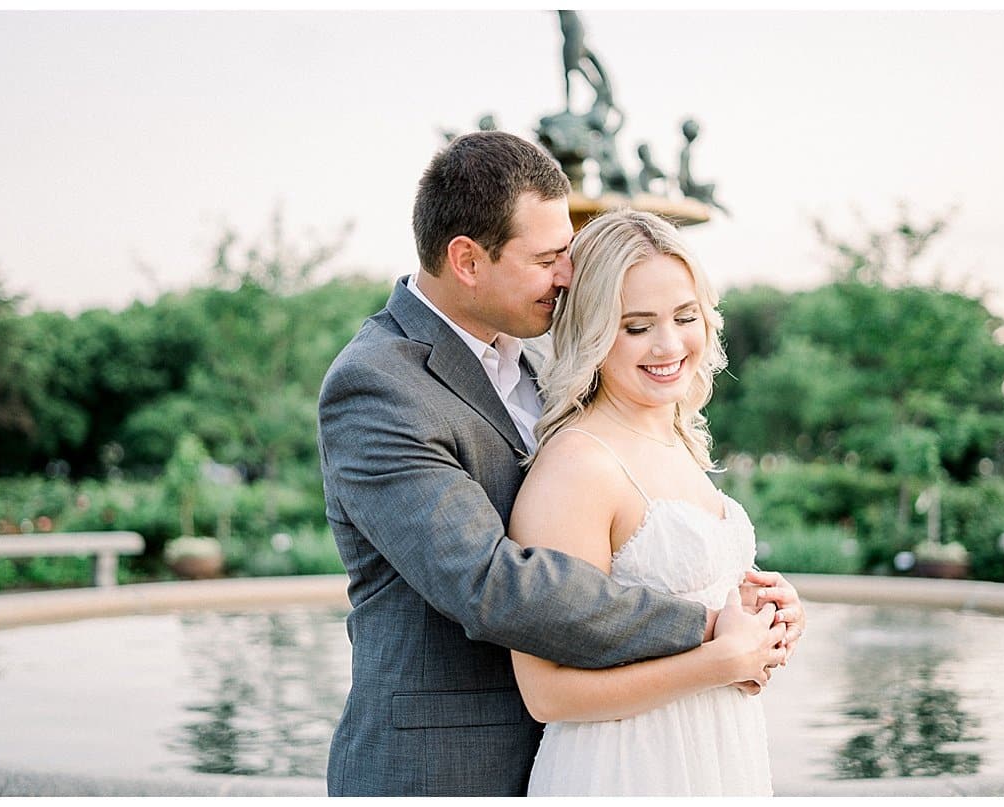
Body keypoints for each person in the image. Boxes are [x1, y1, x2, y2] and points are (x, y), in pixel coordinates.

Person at [316, 131, 795, 796]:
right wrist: (707, 626)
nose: (567, 275)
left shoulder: (543, 360)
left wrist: (746, 600)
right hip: (446, 769)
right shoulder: (377, 386)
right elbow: (491, 584)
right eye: (546, 258)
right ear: (467, 261)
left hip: (597, 751)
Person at [509, 209, 799, 795]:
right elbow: (547, 693)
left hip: (718, 753)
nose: (668, 344)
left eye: (685, 316)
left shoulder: (677, 437)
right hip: (626, 768)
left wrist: (767, 609)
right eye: (636, 326)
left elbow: (683, 594)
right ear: (592, 331)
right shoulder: (577, 466)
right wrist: (721, 663)